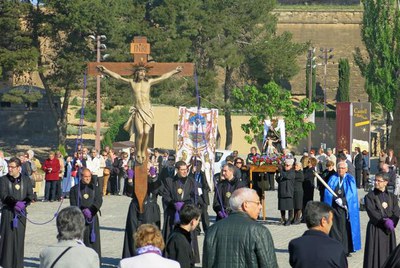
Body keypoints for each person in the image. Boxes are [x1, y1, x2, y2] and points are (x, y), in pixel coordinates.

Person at [97, 64, 183, 164]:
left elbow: (163, 77)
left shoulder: (149, 82)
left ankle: (143, 151)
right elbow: (118, 77)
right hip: (138, 110)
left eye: (144, 71)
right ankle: (138, 151)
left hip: (147, 110)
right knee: (140, 132)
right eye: (140, 71)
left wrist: (174, 71)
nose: (142, 73)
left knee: (146, 132)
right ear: (136, 73)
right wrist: (106, 70)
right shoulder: (131, 82)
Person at [203, 188, 278, 268]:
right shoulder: (259, 231)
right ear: (245, 205)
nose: (260, 206)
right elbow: (269, 265)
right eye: (257, 203)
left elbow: (207, 263)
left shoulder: (212, 230)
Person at [289, 201, 347, 268]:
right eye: (331, 220)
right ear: (323, 221)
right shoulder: (336, 247)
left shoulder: (295, 245)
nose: (332, 224)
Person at [0, 157, 34, 268]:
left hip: (21, 214)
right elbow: (3, 195)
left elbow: (30, 195)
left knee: (19, 239)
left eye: (12, 167)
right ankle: (6, 263)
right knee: (7, 239)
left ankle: (18, 264)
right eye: (9, 166)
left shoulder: (26, 179)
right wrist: (14, 203)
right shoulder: (3, 180)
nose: (10, 169)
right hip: (8, 213)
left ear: (18, 168)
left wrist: (24, 203)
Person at [122, 167, 163, 258]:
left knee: (150, 232)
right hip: (135, 207)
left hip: (150, 207)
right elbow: (129, 193)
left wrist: (153, 176)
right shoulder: (135, 177)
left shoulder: (154, 177)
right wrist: (130, 180)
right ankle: (132, 255)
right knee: (133, 232)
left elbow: (157, 190)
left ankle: (151, 255)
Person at [324, 161, 361, 256]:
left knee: (344, 229)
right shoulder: (333, 178)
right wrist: (334, 198)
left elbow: (352, 195)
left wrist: (343, 201)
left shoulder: (350, 179)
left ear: (346, 169)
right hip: (334, 208)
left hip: (345, 209)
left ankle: (345, 249)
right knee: (334, 228)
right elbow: (328, 192)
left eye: (343, 168)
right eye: (339, 168)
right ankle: (334, 248)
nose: (341, 170)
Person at [363, 172, 400, 268]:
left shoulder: (392, 196)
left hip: (389, 230)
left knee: (389, 253)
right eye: (375, 180)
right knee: (375, 254)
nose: (376, 183)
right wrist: (384, 222)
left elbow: (396, 211)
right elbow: (372, 212)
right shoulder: (369, 196)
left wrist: (393, 222)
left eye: (379, 181)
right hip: (376, 229)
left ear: (386, 182)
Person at [70, 168, 103, 258]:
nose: (88, 178)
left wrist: (91, 211)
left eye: (89, 177)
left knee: (93, 243)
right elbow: (73, 204)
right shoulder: (74, 189)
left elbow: (99, 201)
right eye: (85, 177)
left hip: (92, 218)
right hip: (80, 219)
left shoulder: (95, 188)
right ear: (81, 176)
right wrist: (82, 210)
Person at [166, 204, 201, 268]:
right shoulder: (180, 240)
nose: (198, 223)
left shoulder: (178, 233)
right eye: (198, 221)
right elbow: (184, 264)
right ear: (192, 222)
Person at [276, 158, 295, 226]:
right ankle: (284, 219)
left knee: (290, 207)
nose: (286, 166)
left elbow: (287, 176)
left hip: (289, 192)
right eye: (285, 165)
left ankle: (290, 219)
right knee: (282, 207)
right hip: (282, 191)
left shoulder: (292, 172)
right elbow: (279, 180)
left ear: (291, 166)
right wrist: (277, 173)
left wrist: (281, 171)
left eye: (287, 165)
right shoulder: (283, 172)